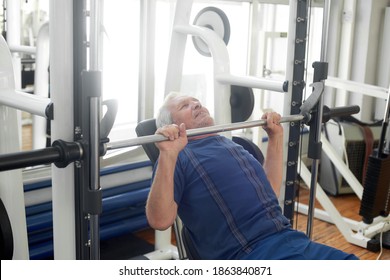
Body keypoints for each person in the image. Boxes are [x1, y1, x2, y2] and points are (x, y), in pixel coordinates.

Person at [145, 92, 359, 260]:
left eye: (197, 101)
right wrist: (167, 154)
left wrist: (276, 137)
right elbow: (160, 220)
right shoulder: (177, 157)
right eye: (185, 105)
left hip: (290, 239)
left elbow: (271, 192)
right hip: (250, 253)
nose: (197, 105)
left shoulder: (235, 145)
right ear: (169, 125)